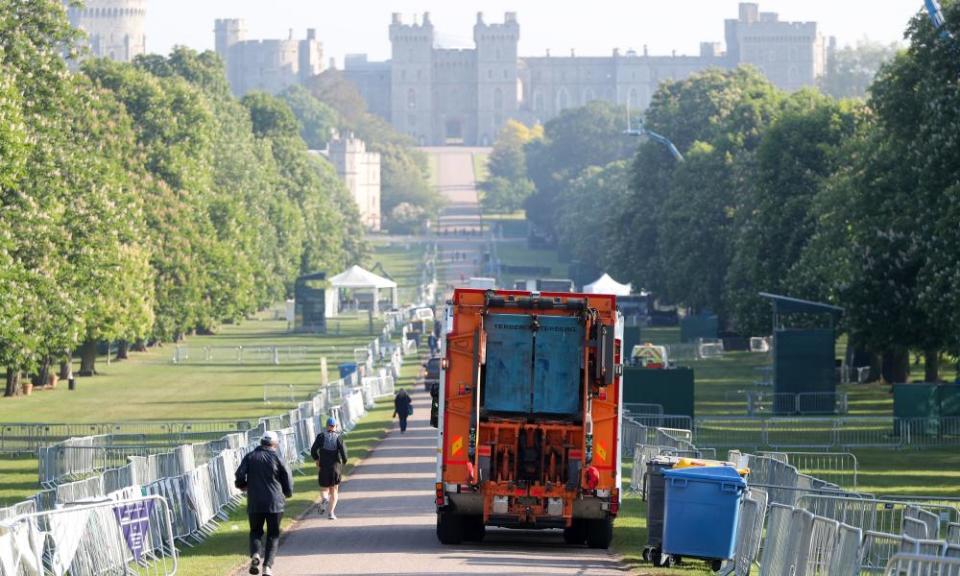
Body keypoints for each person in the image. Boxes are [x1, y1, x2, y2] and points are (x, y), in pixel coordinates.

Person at [235, 431, 293, 576]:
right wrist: (288, 492)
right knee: (273, 534)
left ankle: (255, 554)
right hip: (275, 503)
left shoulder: (250, 456)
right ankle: (267, 567)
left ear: (261, 442)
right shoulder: (277, 457)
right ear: (274, 443)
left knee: (255, 531)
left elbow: (240, 474)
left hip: (255, 502)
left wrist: (243, 485)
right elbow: (286, 475)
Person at [310, 417, 348, 520]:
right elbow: (344, 454)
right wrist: (344, 463)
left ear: (326, 426)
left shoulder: (321, 436)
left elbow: (313, 450)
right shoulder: (339, 437)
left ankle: (325, 499)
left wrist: (317, 459)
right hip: (335, 468)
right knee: (334, 490)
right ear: (335, 427)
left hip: (323, 467)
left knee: (324, 488)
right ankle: (331, 513)